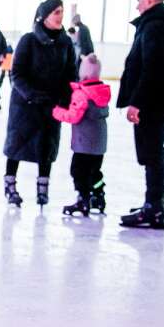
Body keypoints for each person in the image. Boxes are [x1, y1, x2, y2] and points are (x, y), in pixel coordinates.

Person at [117, 0, 164, 230]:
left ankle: (154, 208)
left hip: (153, 102)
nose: (137, 6)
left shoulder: (155, 27)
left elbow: (152, 68)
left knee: (152, 153)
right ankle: (154, 204)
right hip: (162, 100)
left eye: (139, 1)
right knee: (153, 152)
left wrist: (137, 102)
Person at [3, 0, 78, 208]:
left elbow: (71, 73)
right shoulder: (28, 40)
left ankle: (43, 188)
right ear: (44, 16)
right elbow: (16, 74)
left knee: (47, 146)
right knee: (17, 146)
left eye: (62, 12)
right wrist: (31, 95)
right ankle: (10, 185)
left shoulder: (65, 43)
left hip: (52, 105)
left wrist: (66, 98)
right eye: (56, 12)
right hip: (25, 105)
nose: (60, 16)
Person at [52, 54, 112, 217]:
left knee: (78, 171)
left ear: (83, 73)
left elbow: (74, 116)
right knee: (94, 171)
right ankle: (98, 196)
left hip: (84, 143)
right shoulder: (102, 92)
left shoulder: (81, 94)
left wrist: (56, 111)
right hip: (99, 144)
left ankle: (83, 199)